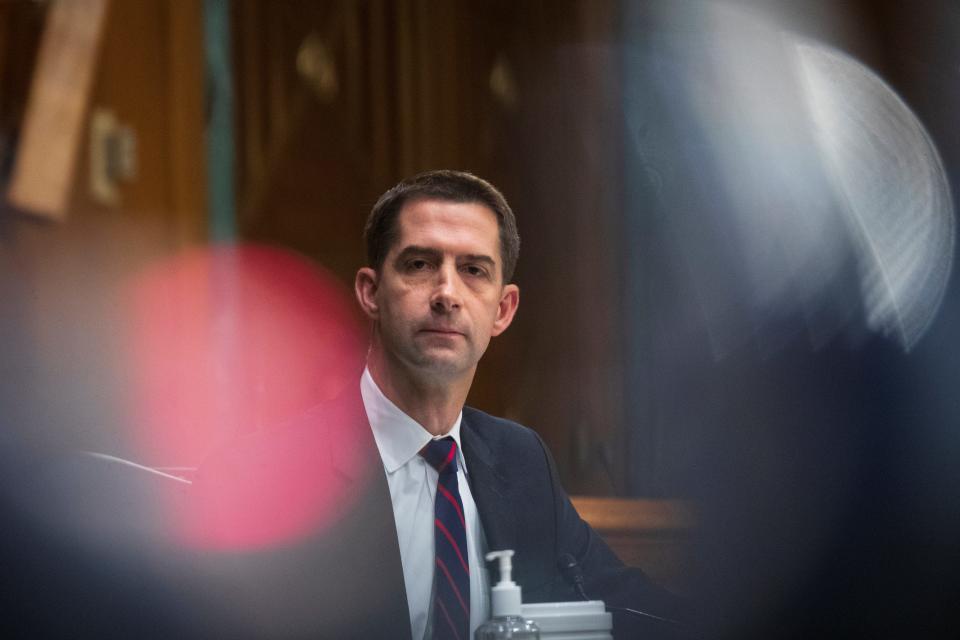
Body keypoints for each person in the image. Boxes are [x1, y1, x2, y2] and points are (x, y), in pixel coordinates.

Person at [192, 170, 686, 639]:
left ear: (503, 309)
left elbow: (632, 608)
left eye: (473, 270)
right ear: (370, 292)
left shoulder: (521, 461)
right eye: (420, 264)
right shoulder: (265, 475)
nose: (447, 293)